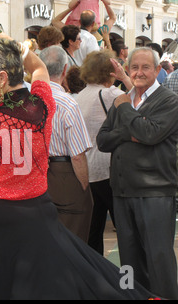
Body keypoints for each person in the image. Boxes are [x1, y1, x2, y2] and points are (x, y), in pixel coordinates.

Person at [0, 28, 158, 300]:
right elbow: (39, 67)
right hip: (35, 209)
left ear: (2, 78)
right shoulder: (42, 104)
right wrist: (21, 50)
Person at [97, 47, 178, 299]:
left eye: (145, 67)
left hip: (155, 192)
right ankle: (130, 295)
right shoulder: (125, 99)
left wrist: (125, 111)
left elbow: (150, 134)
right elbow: (102, 140)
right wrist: (129, 133)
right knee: (128, 258)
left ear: (157, 70)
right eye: (135, 67)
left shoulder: (168, 100)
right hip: (122, 192)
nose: (139, 72)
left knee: (158, 257)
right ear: (128, 69)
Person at [39, 45, 93, 242]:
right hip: (64, 173)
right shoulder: (68, 103)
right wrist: (84, 188)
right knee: (73, 235)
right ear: (64, 70)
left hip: (34, 174)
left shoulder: (28, 101)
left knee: (43, 236)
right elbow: (77, 155)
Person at [75, 50, 123, 255]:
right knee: (124, 228)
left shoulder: (79, 96)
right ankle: (128, 279)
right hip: (109, 169)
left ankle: (96, 278)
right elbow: (140, 104)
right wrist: (125, 78)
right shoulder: (110, 94)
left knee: (93, 232)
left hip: (87, 170)